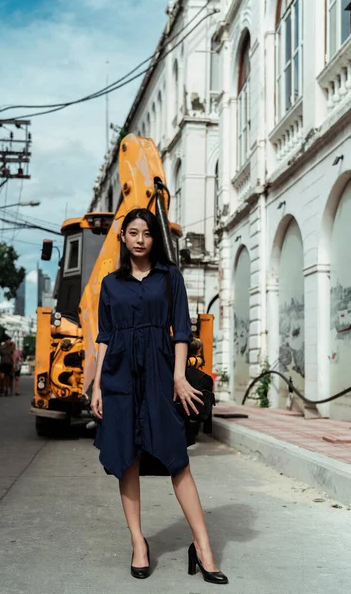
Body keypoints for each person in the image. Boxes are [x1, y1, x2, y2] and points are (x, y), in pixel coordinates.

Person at [91, 208, 228, 584]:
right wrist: (97, 384)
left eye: (146, 233)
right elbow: (104, 337)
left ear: (155, 239)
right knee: (127, 459)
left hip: (159, 372)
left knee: (176, 458)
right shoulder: (110, 284)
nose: (139, 239)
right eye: (132, 232)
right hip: (119, 377)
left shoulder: (171, 279)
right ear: (123, 238)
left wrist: (179, 377)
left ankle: (203, 547)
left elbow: (181, 330)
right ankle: (139, 543)